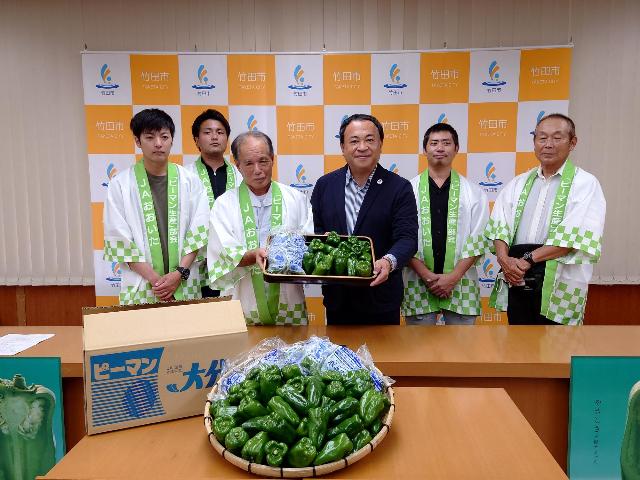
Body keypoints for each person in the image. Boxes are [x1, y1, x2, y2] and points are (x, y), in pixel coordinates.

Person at [485, 113, 606, 325]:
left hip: (559, 281)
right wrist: (504, 260)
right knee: (519, 346)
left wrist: (527, 260)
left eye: (557, 138)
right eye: (542, 138)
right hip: (517, 276)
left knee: (557, 350)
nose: (548, 144)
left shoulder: (585, 184)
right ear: (534, 143)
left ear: (572, 142)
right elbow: (499, 226)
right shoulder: (518, 183)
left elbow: (573, 238)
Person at [310, 114, 418, 325]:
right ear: (342, 147)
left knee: (385, 358)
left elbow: (407, 239)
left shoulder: (399, 187)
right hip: (338, 300)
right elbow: (316, 233)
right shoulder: (325, 185)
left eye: (370, 139)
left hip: (381, 298)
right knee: (339, 357)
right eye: (354, 141)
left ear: (380, 145)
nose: (362, 147)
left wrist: (388, 262)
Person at [103, 108, 209, 305]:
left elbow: (199, 233)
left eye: (164, 136)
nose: (158, 143)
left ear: (172, 140)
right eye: (150, 137)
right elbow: (120, 240)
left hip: (183, 282)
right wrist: (157, 281)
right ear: (137, 141)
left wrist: (178, 274)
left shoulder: (190, 181)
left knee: (188, 334)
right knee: (142, 335)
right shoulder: (121, 184)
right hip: (143, 284)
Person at [206, 131, 313, 325]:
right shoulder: (224, 204)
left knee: (293, 351)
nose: (257, 170)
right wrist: (253, 255)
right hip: (241, 300)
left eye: (263, 161)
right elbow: (221, 252)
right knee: (241, 355)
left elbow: (308, 245)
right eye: (248, 163)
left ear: (272, 160)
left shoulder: (296, 199)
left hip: (288, 301)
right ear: (237, 165)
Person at [402, 123, 490, 325]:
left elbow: (479, 238)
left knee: (462, 353)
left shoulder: (473, 192)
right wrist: (426, 275)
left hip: (462, 282)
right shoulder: (407, 190)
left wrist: (453, 277)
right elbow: (402, 237)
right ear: (425, 150)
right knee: (419, 351)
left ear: (456, 148)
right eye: (434, 143)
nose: (440, 148)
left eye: (446, 143)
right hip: (418, 281)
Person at [186, 109, 242, 298]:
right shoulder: (184, 177)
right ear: (196, 140)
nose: (214, 137)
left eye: (220, 132)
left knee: (233, 318)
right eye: (207, 132)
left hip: (233, 261)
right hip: (196, 261)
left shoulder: (241, 175)